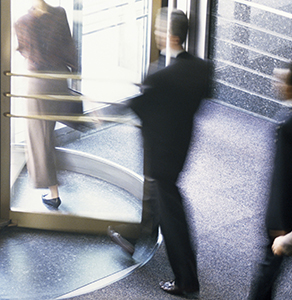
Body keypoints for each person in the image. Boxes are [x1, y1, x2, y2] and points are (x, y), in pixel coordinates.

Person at [119, 8, 212, 298]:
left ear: (171, 35)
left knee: (174, 218)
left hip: (161, 156)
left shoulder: (161, 77)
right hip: (181, 148)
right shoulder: (201, 68)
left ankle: (186, 281)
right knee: (162, 201)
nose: (157, 35)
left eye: (160, 30)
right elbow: (200, 100)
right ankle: (141, 236)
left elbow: (139, 106)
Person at [248, 60, 292, 300]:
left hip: (289, 219)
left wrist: (275, 221)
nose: (275, 84)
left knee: (266, 274)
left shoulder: (290, 127)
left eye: (280, 81)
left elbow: (283, 178)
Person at [14, 0, 82, 209]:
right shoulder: (59, 13)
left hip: (38, 85)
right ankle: (59, 172)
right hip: (59, 80)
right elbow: (69, 47)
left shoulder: (23, 22)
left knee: (38, 139)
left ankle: (53, 192)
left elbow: (25, 52)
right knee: (48, 133)